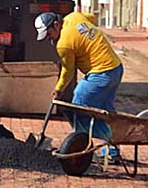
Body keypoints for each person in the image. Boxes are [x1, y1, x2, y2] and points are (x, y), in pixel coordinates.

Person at [34, 10, 123, 159]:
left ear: (56, 25)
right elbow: (91, 17)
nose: (49, 39)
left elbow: (68, 70)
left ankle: (79, 149)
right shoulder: (74, 17)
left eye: (49, 34)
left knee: (79, 106)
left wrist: (59, 89)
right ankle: (112, 151)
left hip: (101, 73)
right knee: (105, 112)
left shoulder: (63, 44)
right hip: (116, 68)